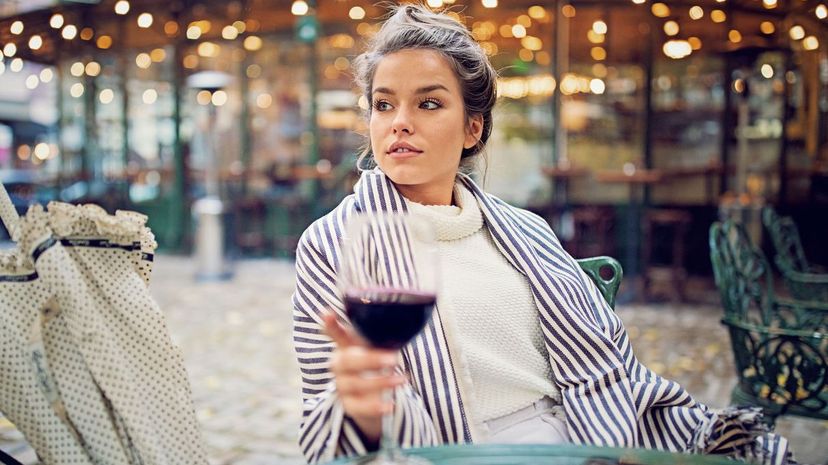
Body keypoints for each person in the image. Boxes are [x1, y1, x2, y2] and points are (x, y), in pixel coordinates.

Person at [292, 4, 792, 465]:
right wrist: (358, 406)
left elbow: (610, 367)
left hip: (584, 438)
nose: (399, 122)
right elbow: (325, 409)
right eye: (383, 105)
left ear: (472, 128)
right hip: (459, 452)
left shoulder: (526, 230)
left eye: (428, 104)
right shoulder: (334, 241)